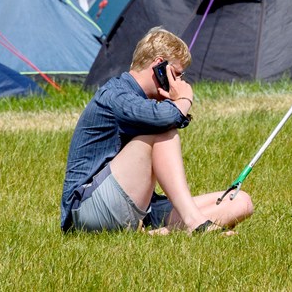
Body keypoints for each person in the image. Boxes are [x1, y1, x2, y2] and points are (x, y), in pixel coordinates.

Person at [60, 27, 253, 234]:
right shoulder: (115, 94)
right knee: (162, 132)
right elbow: (165, 118)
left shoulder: (142, 101)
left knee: (240, 201)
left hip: (139, 206)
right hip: (86, 211)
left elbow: (164, 117)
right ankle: (194, 223)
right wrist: (184, 98)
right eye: (176, 75)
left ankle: (160, 233)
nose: (179, 83)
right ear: (159, 67)